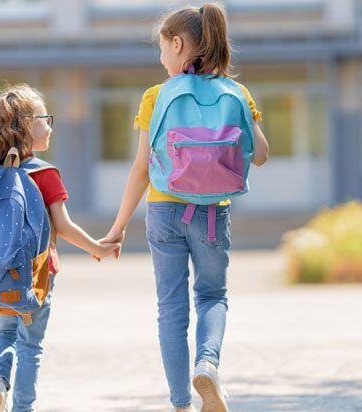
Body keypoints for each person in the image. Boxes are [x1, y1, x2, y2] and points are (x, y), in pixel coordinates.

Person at [99, 4, 270, 411]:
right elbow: (261, 155)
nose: (161, 59)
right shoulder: (236, 92)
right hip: (213, 213)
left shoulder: (157, 96)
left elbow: (141, 169)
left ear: (178, 45)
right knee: (212, 295)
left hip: (165, 212)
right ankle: (207, 364)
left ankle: (181, 404)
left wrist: (118, 226)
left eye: (162, 49)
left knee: (171, 308)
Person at [0, 84, 118, 412]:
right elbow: (63, 227)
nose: (50, 125)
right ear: (25, 126)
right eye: (44, 118)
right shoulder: (45, 173)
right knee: (30, 347)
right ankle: (24, 408)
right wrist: (97, 247)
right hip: (37, 274)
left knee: (4, 336)